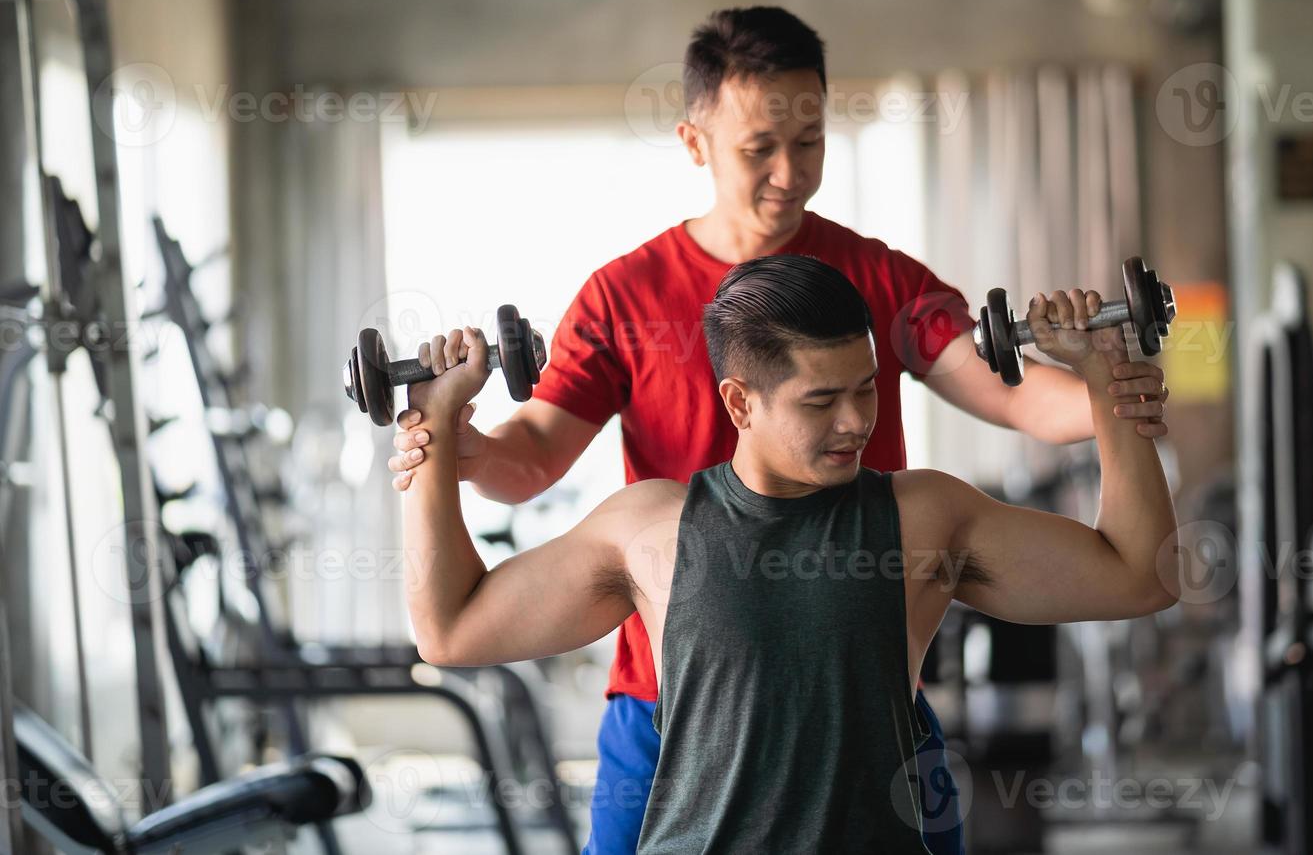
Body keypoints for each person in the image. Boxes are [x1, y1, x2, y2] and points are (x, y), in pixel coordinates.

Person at [389, 6, 1170, 854]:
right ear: (696, 144)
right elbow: (528, 462)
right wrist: (444, 445)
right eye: (759, 148)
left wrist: (1108, 390)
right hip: (668, 693)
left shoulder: (879, 283)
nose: (790, 173)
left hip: (858, 670)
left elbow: (1017, 400)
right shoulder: (625, 302)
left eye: (811, 142)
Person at [400, 255, 1180, 854]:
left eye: (867, 389)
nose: (855, 423)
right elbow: (452, 629)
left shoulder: (923, 517)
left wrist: (1109, 384)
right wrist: (431, 436)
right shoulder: (649, 531)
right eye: (820, 400)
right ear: (740, 401)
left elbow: (1139, 575)